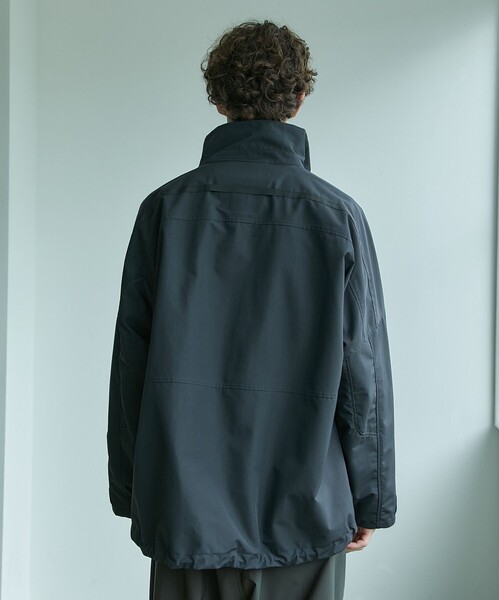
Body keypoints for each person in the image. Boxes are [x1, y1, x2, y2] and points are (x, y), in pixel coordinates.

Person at [107, 19, 397, 600]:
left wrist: (136, 490)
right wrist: (371, 498)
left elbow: (130, 366)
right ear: (300, 97)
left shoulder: (163, 210)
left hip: (185, 508)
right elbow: (363, 373)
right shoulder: (338, 216)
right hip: (308, 510)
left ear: (217, 99)